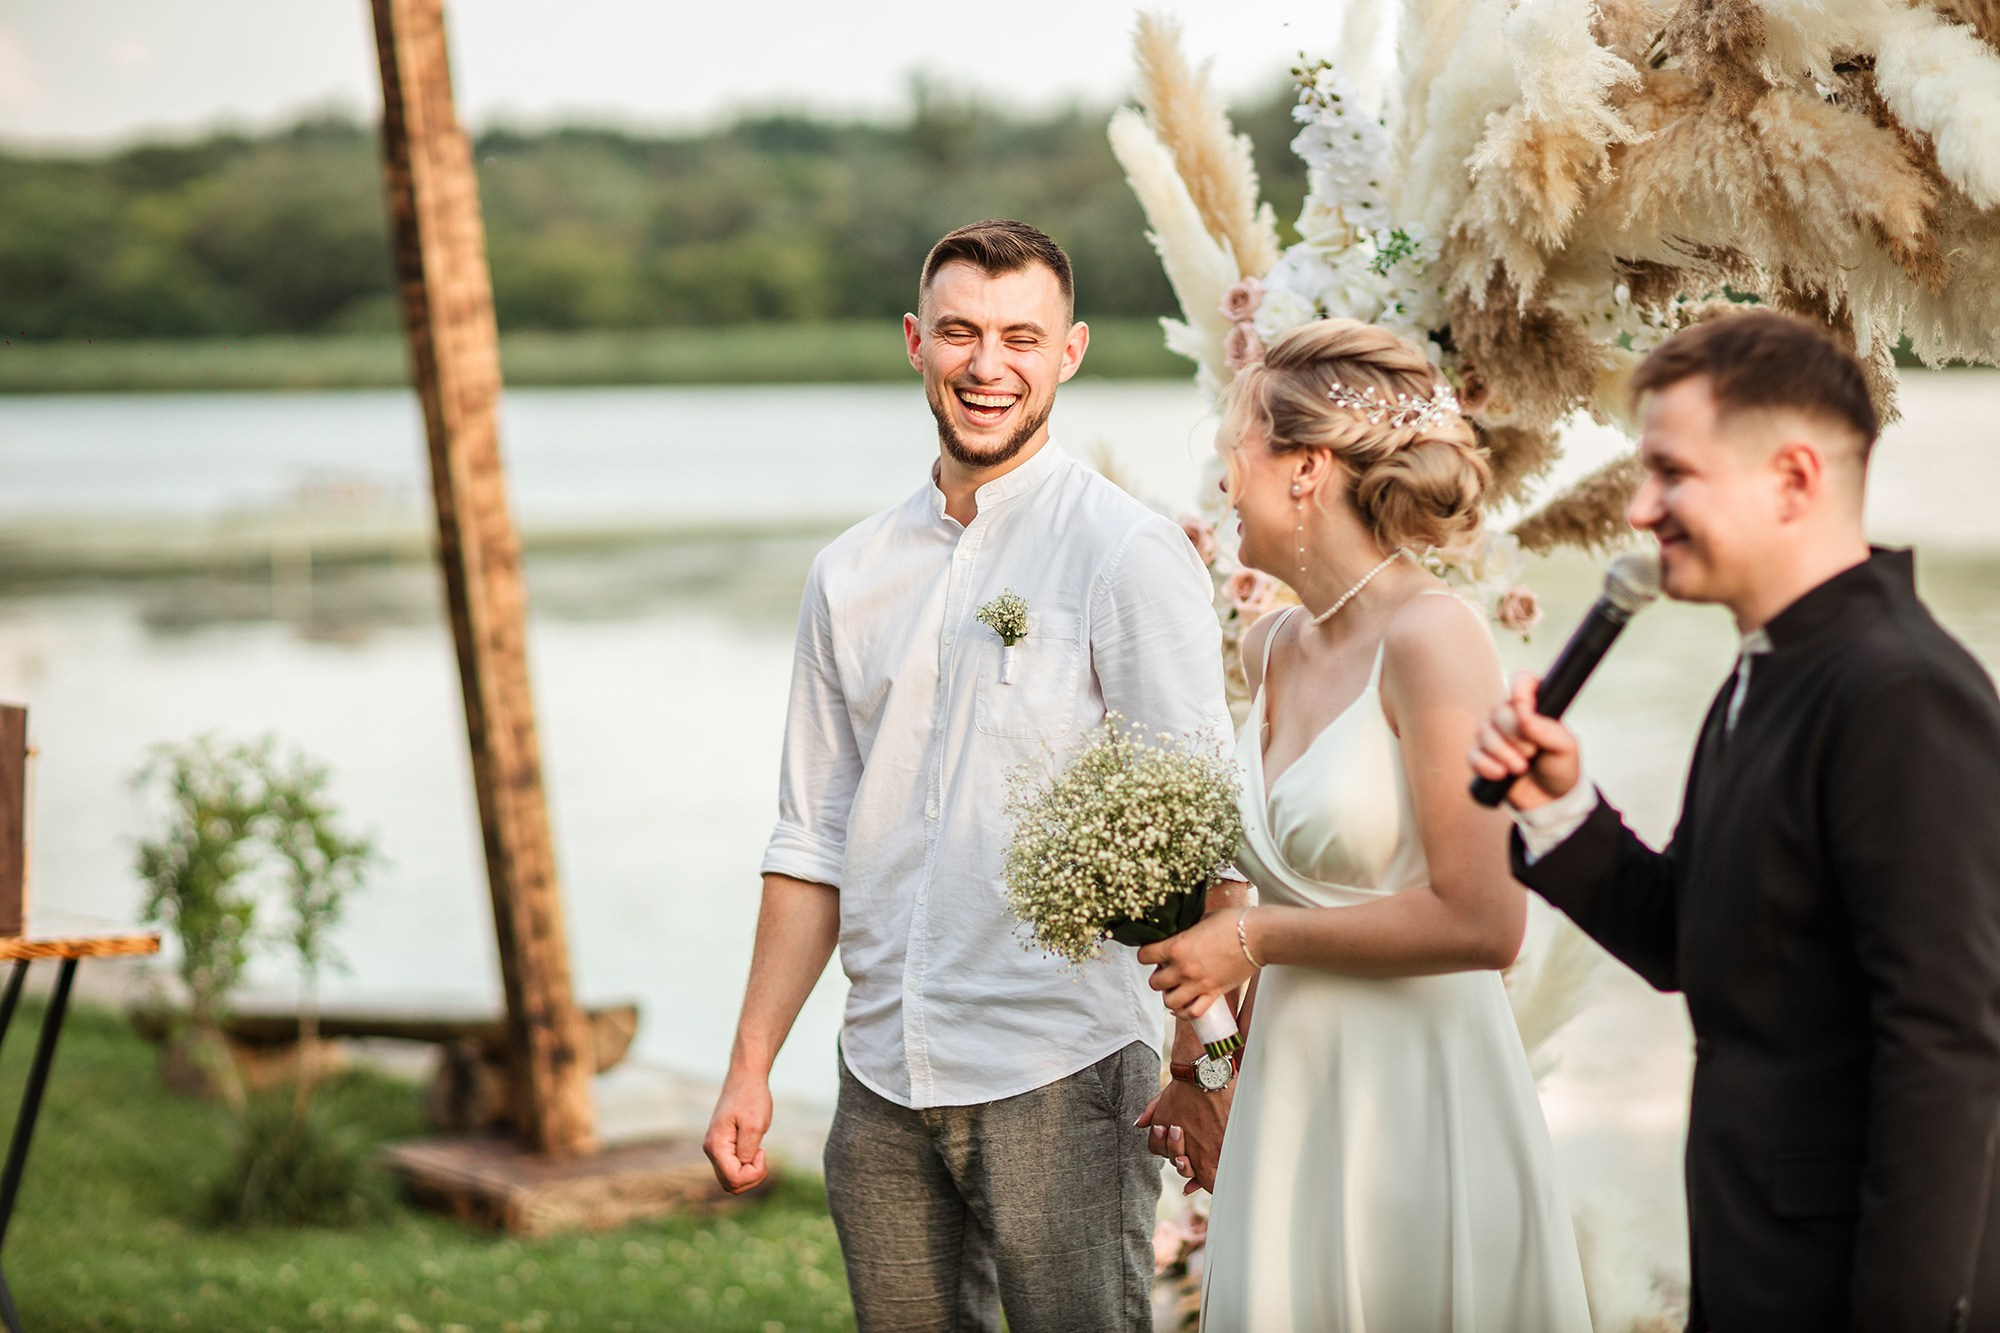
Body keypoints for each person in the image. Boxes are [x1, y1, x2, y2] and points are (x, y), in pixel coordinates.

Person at [701, 218, 1240, 1332]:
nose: (987, 365)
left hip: (1064, 1065)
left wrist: (1203, 1060)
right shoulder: (847, 573)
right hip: (881, 1075)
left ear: (1069, 352)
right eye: (959, 333)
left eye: (1019, 337)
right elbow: (812, 837)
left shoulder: (1126, 553)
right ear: (915, 341)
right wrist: (750, 1065)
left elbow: (1204, 831)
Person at [1470, 308, 2000, 1330]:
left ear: (1793, 478)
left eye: (1670, 473)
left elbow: (1943, 1046)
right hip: (1752, 1257)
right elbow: (1694, 944)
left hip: (1851, 1282)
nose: (1639, 509)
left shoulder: (1900, 690)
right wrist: (1560, 807)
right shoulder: (1764, 674)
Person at [1140, 318, 1592, 1331]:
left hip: (1416, 1096)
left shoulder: (1433, 637)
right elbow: (1252, 920)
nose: (1224, 482)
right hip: (1289, 1101)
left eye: (1234, 450)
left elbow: (1486, 921)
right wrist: (1205, 1072)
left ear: (1305, 469)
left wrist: (1253, 938)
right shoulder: (1268, 648)